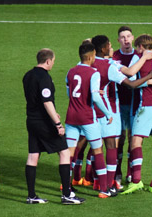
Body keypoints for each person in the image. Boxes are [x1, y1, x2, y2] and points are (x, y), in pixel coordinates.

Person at [90, 35, 152, 192]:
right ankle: (107, 186)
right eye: (109, 46)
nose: (111, 48)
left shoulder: (84, 63)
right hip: (107, 110)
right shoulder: (109, 65)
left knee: (93, 147)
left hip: (87, 110)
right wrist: (149, 76)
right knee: (111, 146)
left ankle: (91, 180)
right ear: (103, 49)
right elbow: (130, 77)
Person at [22, 48, 84, 204]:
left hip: (31, 120)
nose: (53, 64)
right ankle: (67, 195)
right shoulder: (44, 77)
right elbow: (46, 101)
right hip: (45, 123)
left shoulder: (27, 75)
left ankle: (31, 196)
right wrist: (57, 123)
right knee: (64, 153)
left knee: (33, 156)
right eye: (53, 61)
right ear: (48, 61)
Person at [65, 42, 116, 198]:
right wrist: (108, 113)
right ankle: (104, 189)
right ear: (90, 56)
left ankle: (66, 186)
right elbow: (95, 97)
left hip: (71, 117)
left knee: (69, 152)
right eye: (94, 55)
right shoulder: (93, 73)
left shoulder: (70, 71)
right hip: (87, 117)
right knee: (98, 150)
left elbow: (69, 93)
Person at [122, 34, 152, 194]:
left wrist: (147, 81)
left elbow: (132, 82)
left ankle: (135, 181)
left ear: (142, 47)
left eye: (137, 47)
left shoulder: (141, 60)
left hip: (147, 105)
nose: (136, 50)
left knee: (136, 141)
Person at [112, 26, 137, 185]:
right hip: (118, 104)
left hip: (135, 104)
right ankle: (118, 171)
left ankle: (130, 172)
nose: (126, 39)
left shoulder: (139, 55)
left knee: (133, 139)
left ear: (133, 38)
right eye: (123, 37)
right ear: (118, 40)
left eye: (128, 36)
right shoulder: (114, 56)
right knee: (119, 139)